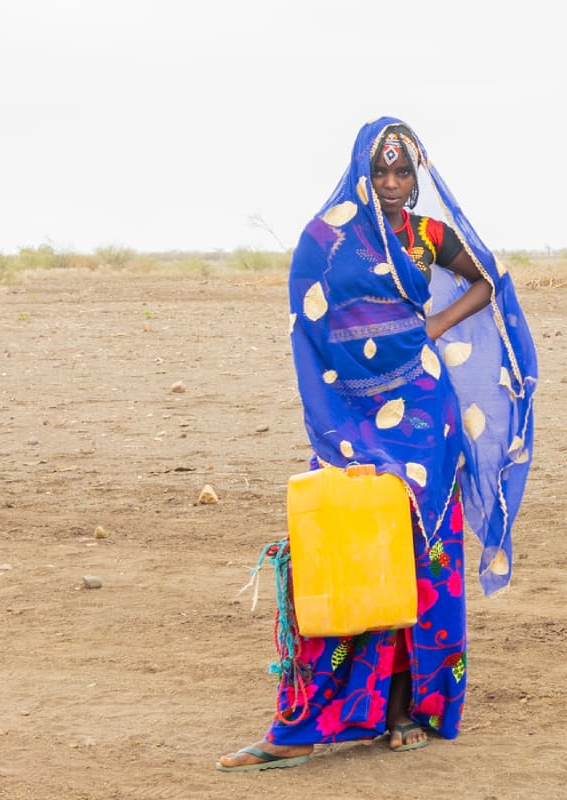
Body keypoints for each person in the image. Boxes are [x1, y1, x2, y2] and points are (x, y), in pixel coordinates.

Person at [217, 117, 536, 771]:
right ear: (362, 174)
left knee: (420, 552)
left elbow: (487, 280)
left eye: (402, 174)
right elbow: (305, 311)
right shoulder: (329, 237)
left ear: (416, 180)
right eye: (381, 172)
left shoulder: (427, 237)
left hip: (425, 410)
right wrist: (338, 403)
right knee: (339, 542)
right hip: (353, 412)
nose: (391, 184)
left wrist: (433, 326)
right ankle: (299, 721)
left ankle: (403, 709)